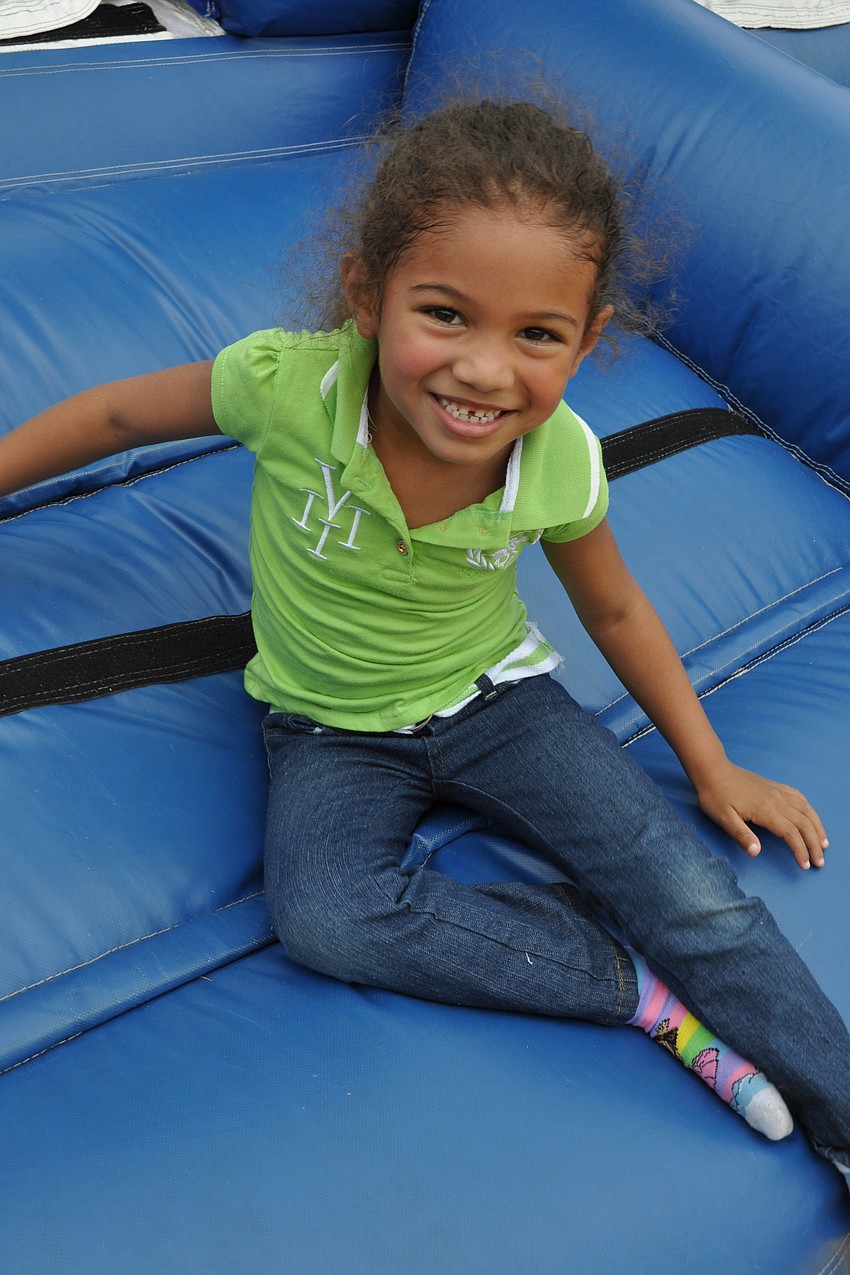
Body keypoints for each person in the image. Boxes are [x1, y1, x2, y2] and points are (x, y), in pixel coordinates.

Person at [2, 98, 849, 1187]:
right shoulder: (290, 388)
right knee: (326, 918)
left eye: (536, 335)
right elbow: (117, 419)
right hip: (328, 729)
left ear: (588, 342)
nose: (485, 371)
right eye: (445, 315)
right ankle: (622, 986)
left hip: (498, 704)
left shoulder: (559, 459)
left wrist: (710, 763)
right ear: (367, 295)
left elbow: (617, 611)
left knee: (695, 898)